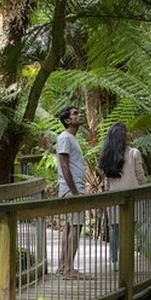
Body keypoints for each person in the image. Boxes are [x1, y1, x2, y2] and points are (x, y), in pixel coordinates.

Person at [97, 122, 146, 267]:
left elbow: (106, 181)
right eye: (127, 132)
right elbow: (140, 175)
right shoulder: (134, 153)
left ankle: (115, 260)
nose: (129, 134)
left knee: (115, 228)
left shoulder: (107, 156)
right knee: (130, 228)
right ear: (122, 136)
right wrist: (145, 188)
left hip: (114, 197)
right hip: (133, 196)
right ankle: (127, 260)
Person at [56, 106, 87, 279]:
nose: (79, 115)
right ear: (67, 120)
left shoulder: (71, 138)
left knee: (69, 227)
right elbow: (64, 165)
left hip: (73, 188)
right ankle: (68, 269)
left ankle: (63, 266)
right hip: (72, 190)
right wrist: (74, 190)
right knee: (76, 227)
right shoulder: (65, 138)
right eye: (75, 114)